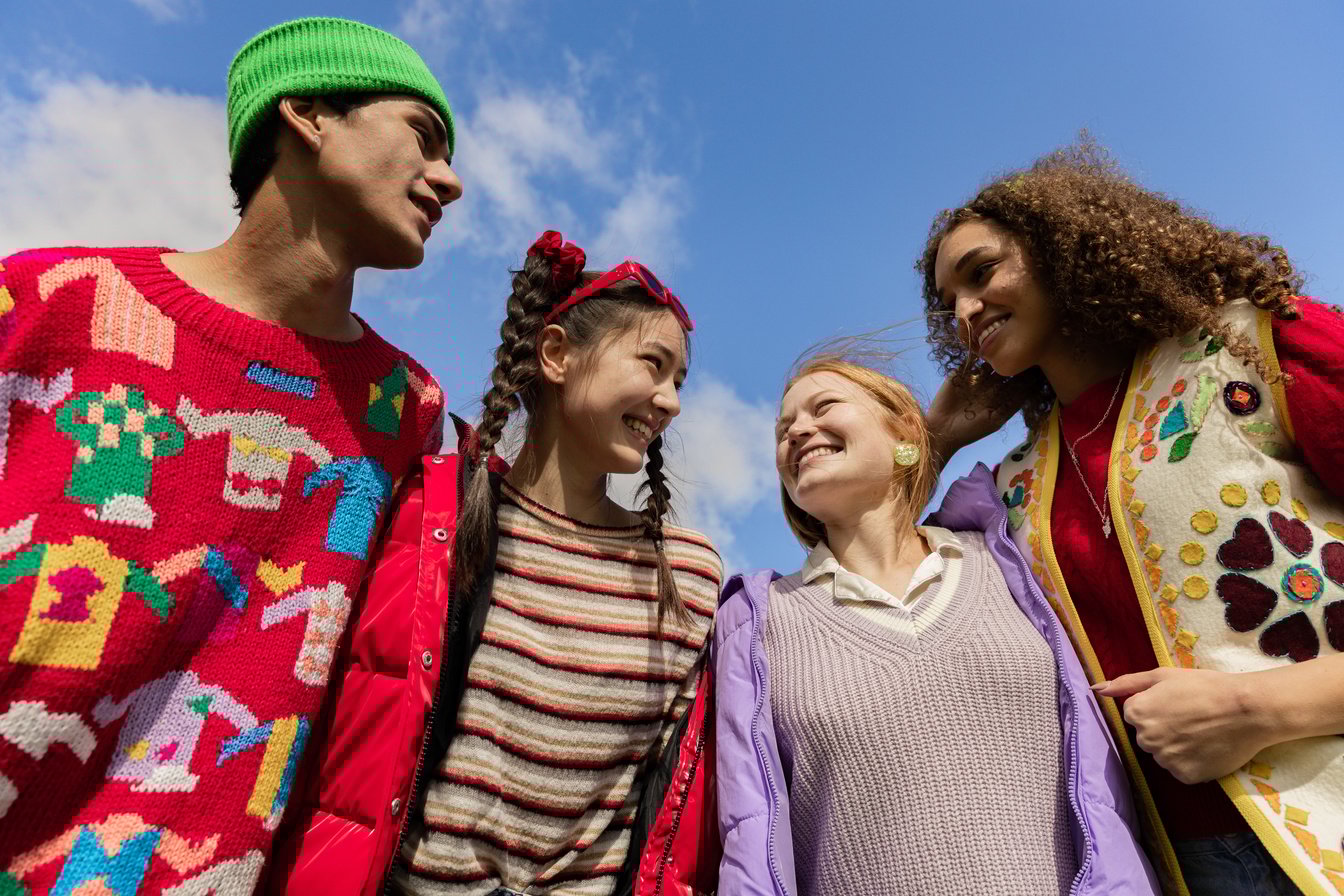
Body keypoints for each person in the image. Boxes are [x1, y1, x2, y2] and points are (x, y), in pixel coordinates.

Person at [0, 17, 459, 894]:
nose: (451, 178)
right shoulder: (47, 302)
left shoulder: (407, 412)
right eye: (423, 135)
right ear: (309, 114)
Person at [920, 138, 1344, 896]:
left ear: (1062, 248)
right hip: (1173, 867)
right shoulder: (1010, 491)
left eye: (981, 273)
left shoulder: (1252, 350)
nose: (964, 312)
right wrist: (936, 441)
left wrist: (1258, 706)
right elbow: (870, 581)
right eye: (948, 302)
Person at [267, 232, 723, 896]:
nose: (671, 401)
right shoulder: (439, 520)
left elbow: (666, 800)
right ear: (558, 353)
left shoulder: (687, 575)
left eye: (678, 381)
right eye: (652, 365)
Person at [715, 355, 1158, 895]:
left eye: (824, 407)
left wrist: (935, 434)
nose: (798, 430)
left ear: (903, 429)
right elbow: (749, 834)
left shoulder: (1008, 548)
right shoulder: (755, 623)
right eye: (784, 430)